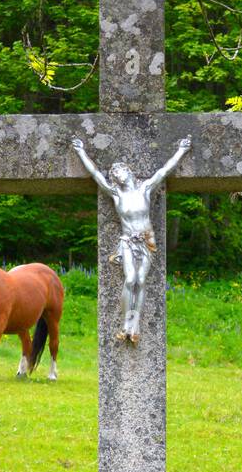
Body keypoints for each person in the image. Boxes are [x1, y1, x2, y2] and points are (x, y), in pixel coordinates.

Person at [71, 136, 192, 342]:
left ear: (129, 172)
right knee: (130, 279)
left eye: (121, 171)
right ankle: (126, 323)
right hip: (127, 241)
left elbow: (163, 171)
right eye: (115, 174)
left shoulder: (144, 188)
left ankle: (135, 326)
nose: (119, 175)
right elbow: (95, 174)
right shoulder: (116, 194)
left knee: (141, 281)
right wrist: (81, 151)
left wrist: (181, 150)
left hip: (147, 240)